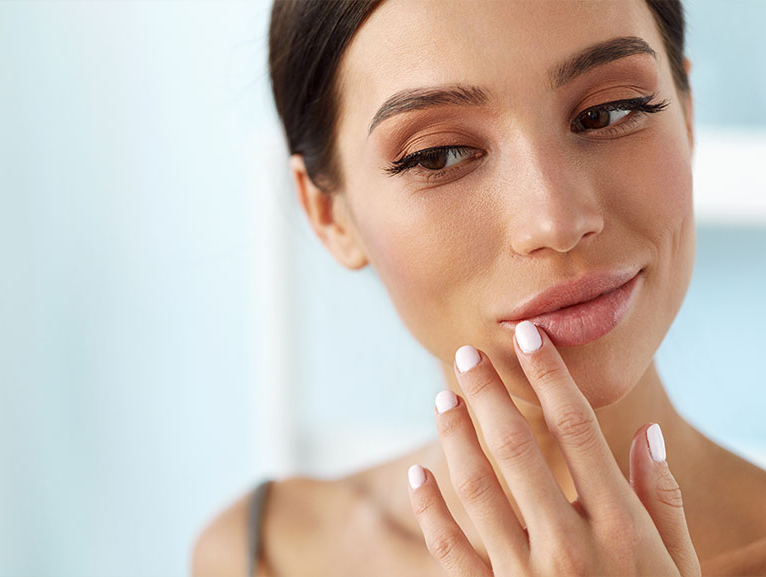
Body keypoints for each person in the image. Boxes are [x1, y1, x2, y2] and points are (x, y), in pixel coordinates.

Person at [192, 0, 766, 575]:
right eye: (438, 155)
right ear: (328, 214)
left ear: (687, 118)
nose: (556, 223)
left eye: (608, 113)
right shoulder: (263, 555)